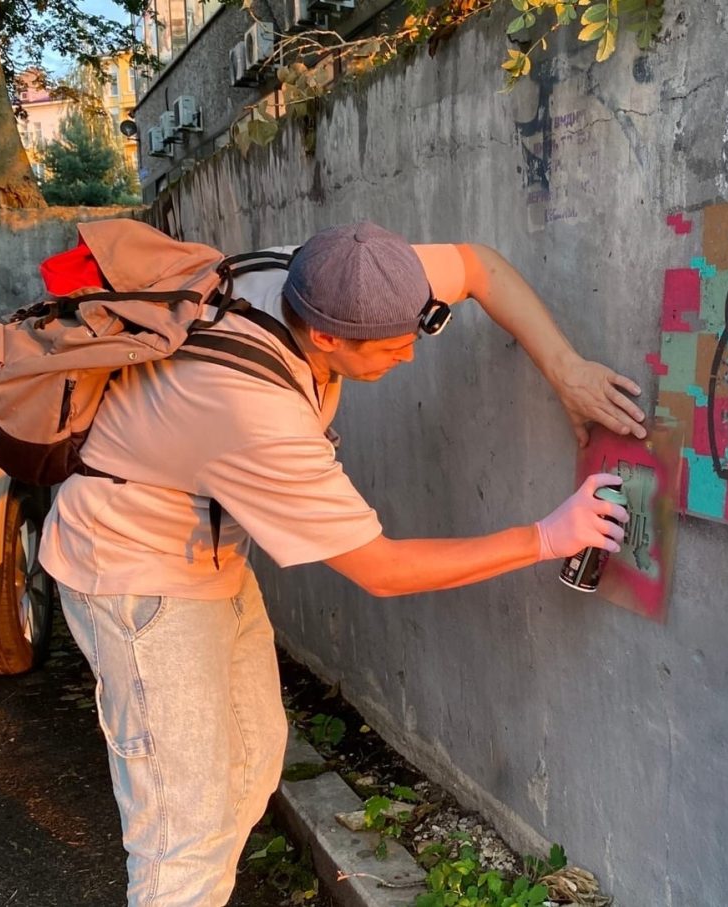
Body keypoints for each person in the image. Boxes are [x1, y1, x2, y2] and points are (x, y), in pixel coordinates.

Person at [38, 221, 646, 906]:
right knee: (184, 830)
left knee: (256, 758)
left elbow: (478, 265)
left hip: (208, 551)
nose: (408, 357)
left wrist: (566, 372)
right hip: (134, 572)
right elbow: (382, 569)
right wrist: (546, 535)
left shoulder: (344, 274)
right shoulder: (254, 411)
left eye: (415, 332)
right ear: (326, 336)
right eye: (390, 348)